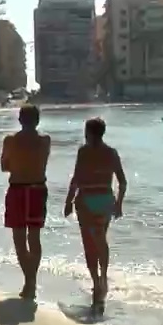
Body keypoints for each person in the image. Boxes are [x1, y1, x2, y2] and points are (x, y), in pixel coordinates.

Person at [64, 117, 126, 309]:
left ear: (89, 133)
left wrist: (68, 201)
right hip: (105, 200)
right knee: (100, 238)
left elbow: (76, 178)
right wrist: (118, 204)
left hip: (86, 201)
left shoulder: (83, 152)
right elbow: (122, 182)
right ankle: (103, 277)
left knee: (89, 243)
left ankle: (96, 282)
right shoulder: (112, 153)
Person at [0, 103, 51, 299]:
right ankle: (32, 281)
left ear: (20, 119)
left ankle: (30, 282)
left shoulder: (10, 141)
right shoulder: (45, 140)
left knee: (19, 239)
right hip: (37, 188)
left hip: (18, 189)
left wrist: (18, 162)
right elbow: (43, 161)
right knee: (34, 237)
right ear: (37, 120)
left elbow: (4, 166)